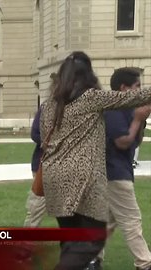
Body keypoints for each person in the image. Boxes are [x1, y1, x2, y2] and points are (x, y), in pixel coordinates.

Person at [39, 51, 151, 269]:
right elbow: (132, 97)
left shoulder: (49, 106)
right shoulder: (91, 98)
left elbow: (44, 140)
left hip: (53, 178)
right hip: (82, 178)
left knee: (71, 239)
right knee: (94, 238)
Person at [89, 68, 151, 270]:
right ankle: (144, 263)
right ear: (124, 88)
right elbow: (123, 142)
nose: (140, 91)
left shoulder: (124, 109)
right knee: (132, 220)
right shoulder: (113, 110)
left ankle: (91, 259)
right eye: (137, 87)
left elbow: (136, 141)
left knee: (107, 221)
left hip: (115, 172)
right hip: (114, 174)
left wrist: (140, 119)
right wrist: (137, 119)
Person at [23, 107, 47, 227]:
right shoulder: (47, 108)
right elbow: (35, 133)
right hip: (43, 165)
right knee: (37, 207)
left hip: (70, 165)